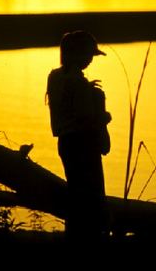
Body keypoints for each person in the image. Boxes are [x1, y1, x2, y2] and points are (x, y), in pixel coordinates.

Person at [46, 30, 111, 241]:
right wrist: (104, 116)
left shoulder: (54, 77)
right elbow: (86, 119)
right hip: (84, 145)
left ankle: (75, 236)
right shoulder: (79, 83)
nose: (91, 60)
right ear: (78, 54)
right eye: (89, 55)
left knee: (76, 195)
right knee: (91, 198)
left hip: (66, 143)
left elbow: (67, 103)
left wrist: (87, 91)